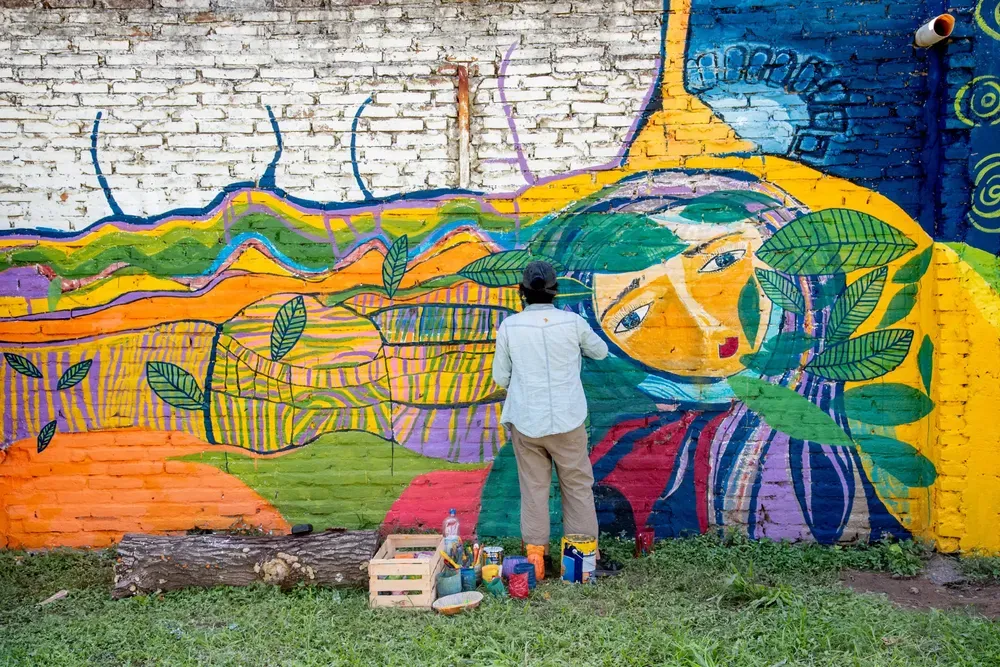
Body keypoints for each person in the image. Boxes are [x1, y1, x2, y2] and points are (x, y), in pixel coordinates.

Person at [491, 260, 609, 579]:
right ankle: (581, 562)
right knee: (577, 487)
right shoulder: (572, 323)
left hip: (525, 421)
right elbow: (600, 352)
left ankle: (537, 563)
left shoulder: (509, 327)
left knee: (534, 489)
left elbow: (501, 378)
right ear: (555, 290)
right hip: (568, 421)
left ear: (522, 292)